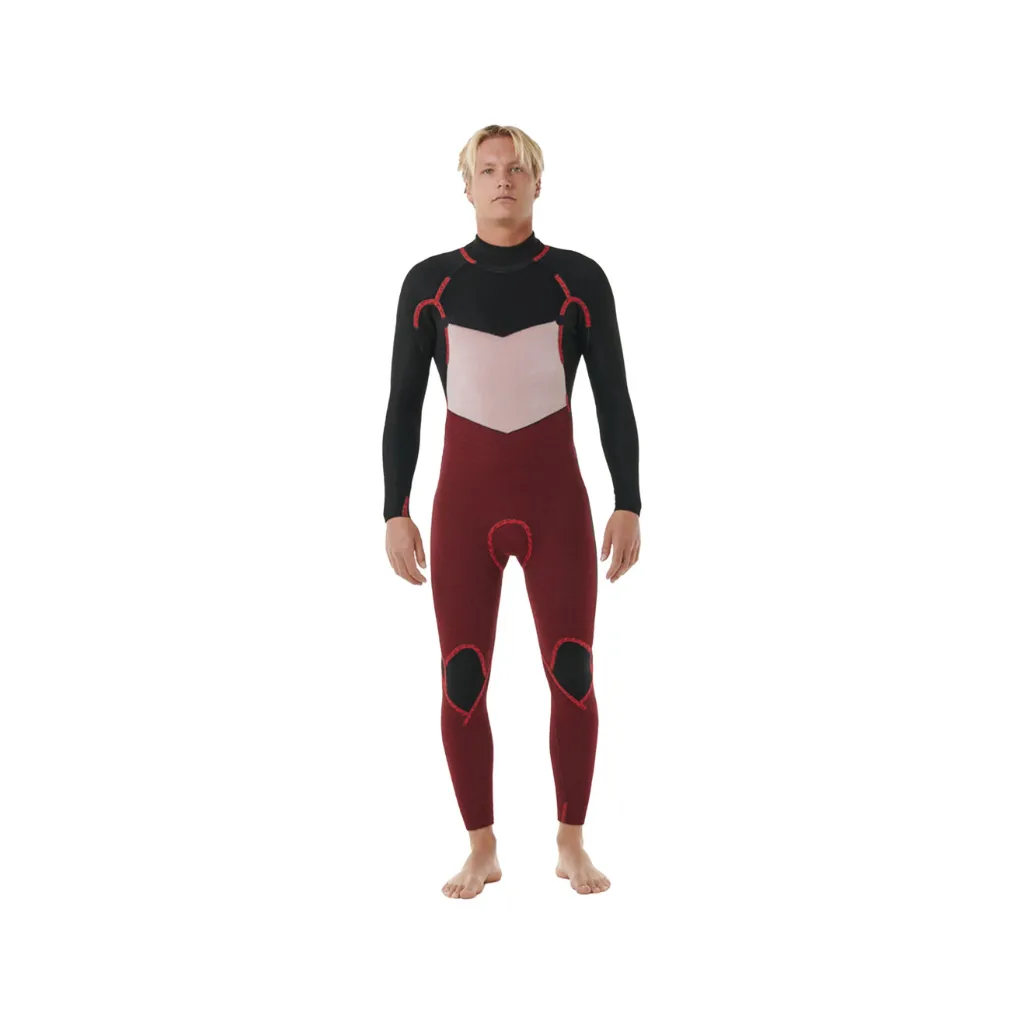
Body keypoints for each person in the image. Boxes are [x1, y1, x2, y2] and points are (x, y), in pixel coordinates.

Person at [382, 125, 641, 898]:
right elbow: (402, 405)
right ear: (466, 186)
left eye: (517, 168)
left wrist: (629, 501)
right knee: (463, 678)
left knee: (573, 671)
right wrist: (394, 508)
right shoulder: (430, 284)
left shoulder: (577, 279)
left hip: (556, 505)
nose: (503, 179)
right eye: (488, 169)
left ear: (537, 182)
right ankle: (482, 847)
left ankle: (570, 842)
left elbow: (614, 397)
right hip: (463, 512)